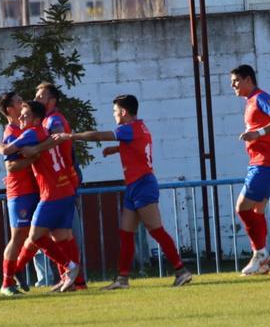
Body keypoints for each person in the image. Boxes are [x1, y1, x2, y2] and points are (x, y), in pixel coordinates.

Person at [58, 94, 193, 289]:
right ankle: (122, 279)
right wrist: (116, 149)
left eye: (114, 112)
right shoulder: (139, 127)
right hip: (134, 186)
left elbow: (99, 136)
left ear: (123, 112)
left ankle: (181, 271)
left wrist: (71, 136)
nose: (114, 115)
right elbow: (137, 146)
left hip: (143, 184)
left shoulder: (127, 129)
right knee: (126, 233)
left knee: (156, 230)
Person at [0, 100, 81, 293]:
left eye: (25, 114)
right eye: (20, 112)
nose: (21, 116)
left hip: (51, 193)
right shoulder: (44, 131)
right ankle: (70, 280)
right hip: (65, 190)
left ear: (36, 119)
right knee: (60, 236)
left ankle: (69, 267)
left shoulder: (31, 132)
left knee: (34, 236)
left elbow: (6, 151)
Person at [230, 64, 270, 276]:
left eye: (235, 81)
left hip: (266, 163)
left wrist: (259, 133)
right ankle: (262, 261)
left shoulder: (261, 97)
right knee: (257, 211)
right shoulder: (249, 102)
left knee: (241, 208)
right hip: (261, 162)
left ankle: (260, 253)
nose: (232, 85)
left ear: (248, 79)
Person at [33, 82, 87, 290]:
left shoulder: (54, 120)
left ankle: (71, 274)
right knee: (61, 235)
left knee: (40, 236)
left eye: (40, 96)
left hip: (59, 185)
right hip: (58, 184)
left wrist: (32, 149)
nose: (36, 99)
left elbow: (55, 141)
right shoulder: (47, 119)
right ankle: (73, 280)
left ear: (51, 100)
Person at [0, 92, 39, 296]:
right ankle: (6, 283)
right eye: (19, 102)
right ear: (10, 109)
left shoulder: (23, 128)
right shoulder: (11, 132)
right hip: (19, 191)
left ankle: (18, 268)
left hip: (33, 188)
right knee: (18, 236)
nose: (23, 104)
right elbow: (11, 167)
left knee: (38, 233)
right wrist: (36, 157)